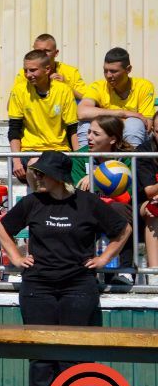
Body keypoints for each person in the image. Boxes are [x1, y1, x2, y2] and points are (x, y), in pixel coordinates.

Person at [0, 151, 130, 386]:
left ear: (58, 177)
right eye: (37, 173)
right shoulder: (32, 203)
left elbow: (123, 229)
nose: (37, 177)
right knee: (41, 353)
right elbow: (1, 227)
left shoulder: (87, 203)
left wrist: (104, 259)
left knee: (74, 352)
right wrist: (16, 256)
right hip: (38, 287)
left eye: (42, 174)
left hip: (78, 285)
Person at [68, 116, 139, 285]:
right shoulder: (79, 157)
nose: (89, 137)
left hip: (116, 210)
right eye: (89, 132)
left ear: (112, 139)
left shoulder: (127, 158)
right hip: (88, 209)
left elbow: (127, 196)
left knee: (119, 211)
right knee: (82, 213)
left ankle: (125, 271)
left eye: (96, 134)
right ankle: (86, 271)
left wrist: (96, 178)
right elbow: (78, 192)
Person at [7, 49, 79, 184]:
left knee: (45, 167)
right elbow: (14, 130)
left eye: (33, 70)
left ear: (47, 69)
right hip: (28, 151)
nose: (28, 74)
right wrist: (16, 161)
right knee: (33, 164)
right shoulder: (18, 91)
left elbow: (72, 129)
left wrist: (80, 159)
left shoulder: (64, 90)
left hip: (59, 150)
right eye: (25, 70)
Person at [77, 47, 154, 149]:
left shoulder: (143, 86)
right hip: (106, 136)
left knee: (134, 124)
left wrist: (114, 123)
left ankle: (132, 162)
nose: (108, 75)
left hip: (125, 136)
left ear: (128, 70)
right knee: (85, 125)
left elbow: (147, 124)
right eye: (105, 70)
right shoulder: (98, 86)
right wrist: (123, 113)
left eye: (113, 71)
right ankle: (87, 162)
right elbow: (82, 113)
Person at [12, 33, 88, 101]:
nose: (42, 54)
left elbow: (86, 99)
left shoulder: (70, 71)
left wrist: (66, 87)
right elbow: (10, 105)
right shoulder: (26, 73)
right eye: (38, 51)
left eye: (47, 51)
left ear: (56, 53)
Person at [131, 111, 158, 282]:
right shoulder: (145, 150)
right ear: (153, 131)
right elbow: (149, 191)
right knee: (154, 208)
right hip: (147, 203)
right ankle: (155, 272)